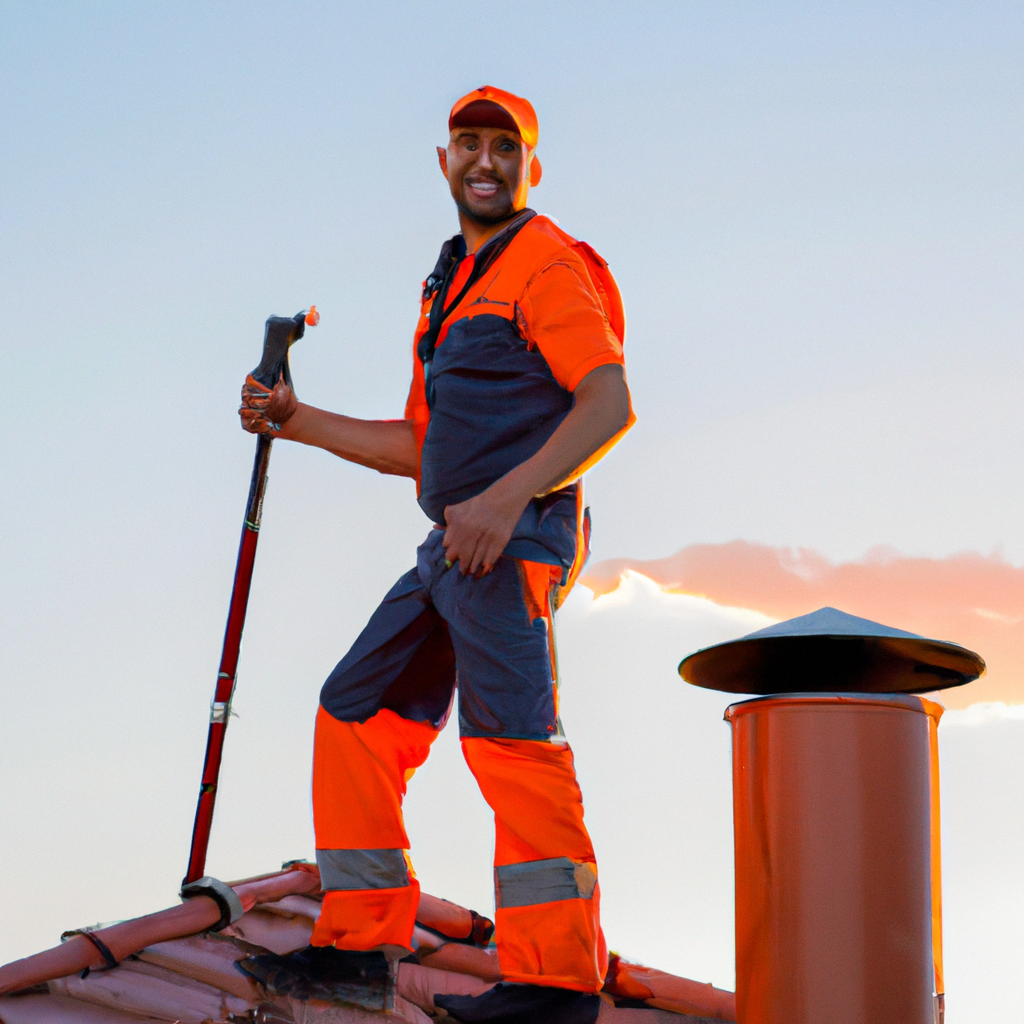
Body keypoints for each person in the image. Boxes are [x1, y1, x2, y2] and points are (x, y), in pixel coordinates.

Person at [238, 86, 634, 1017]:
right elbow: (423, 444)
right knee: (356, 709)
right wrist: (297, 423)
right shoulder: (450, 283)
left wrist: (503, 502)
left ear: (531, 167)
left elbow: (609, 403)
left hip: (516, 540)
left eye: (506, 146)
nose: (486, 161)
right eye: (469, 144)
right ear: (445, 161)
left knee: (512, 742)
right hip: (453, 545)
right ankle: (359, 945)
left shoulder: (544, 263)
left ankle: (556, 984)